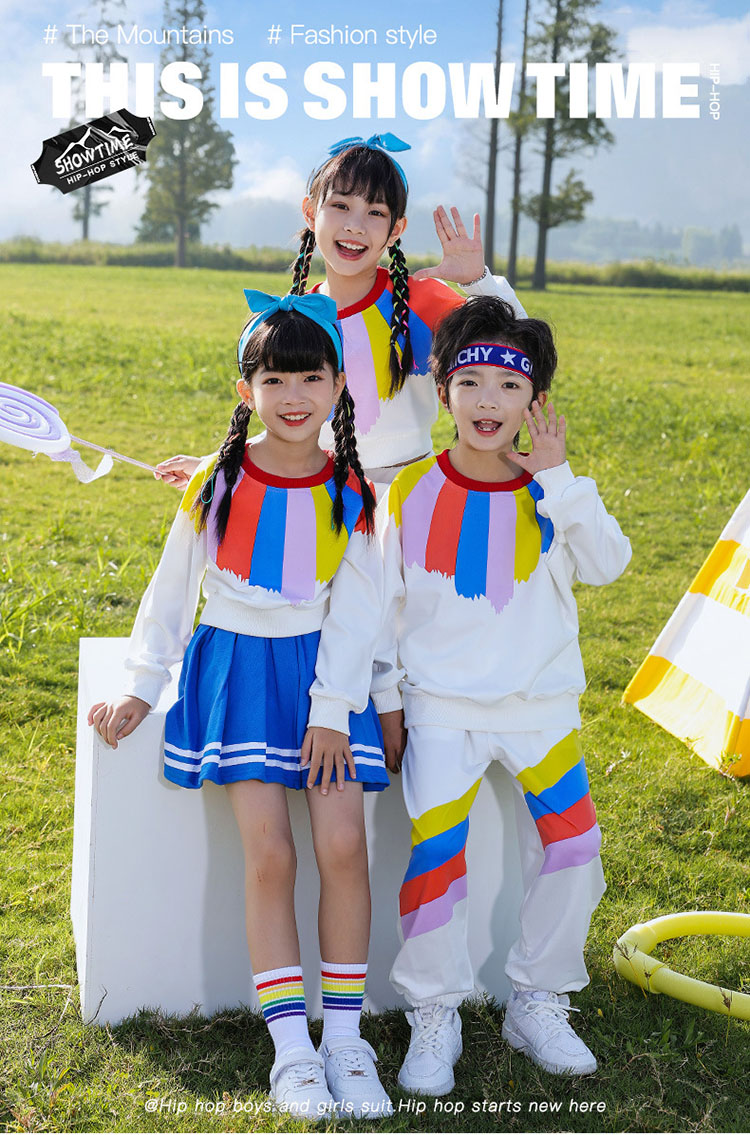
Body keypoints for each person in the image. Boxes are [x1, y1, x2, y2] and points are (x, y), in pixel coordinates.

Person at [88, 292, 394, 1121]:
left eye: (311, 377)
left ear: (338, 387)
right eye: (275, 379)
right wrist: (140, 682)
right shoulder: (216, 481)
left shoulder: (352, 490)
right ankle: (291, 1049)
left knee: (344, 845)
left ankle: (346, 1040)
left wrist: (334, 708)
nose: (294, 395)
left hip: (325, 676)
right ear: (245, 389)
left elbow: (361, 609)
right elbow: (171, 588)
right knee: (270, 855)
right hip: (238, 673)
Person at [375, 295, 632, 1093]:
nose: (489, 401)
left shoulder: (553, 490)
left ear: (534, 401)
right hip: (440, 710)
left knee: (574, 847)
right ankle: (434, 1010)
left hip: (540, 710)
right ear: (443, 389)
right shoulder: (407, 491)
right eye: (472, 382)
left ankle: (538, 999)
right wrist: (388, 702)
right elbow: (380, 608)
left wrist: (559, 477)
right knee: (435, 861)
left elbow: (609, 564)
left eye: (510, 386)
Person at [154, 133, 527, 494]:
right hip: (323, 498)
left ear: (396, 229)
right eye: (340, 206)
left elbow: (523, 351)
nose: (354, 225)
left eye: (375, 212)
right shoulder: (296, 319)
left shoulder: (422, 301)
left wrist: (478, 282)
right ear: (310, 212)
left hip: (410, 497)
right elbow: (285, 418)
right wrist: (215, 465)